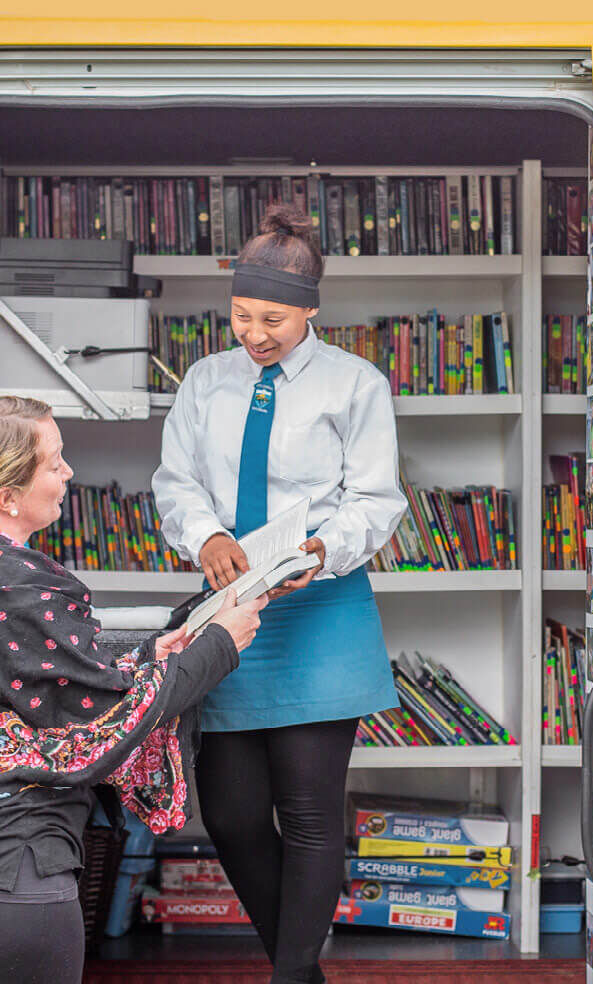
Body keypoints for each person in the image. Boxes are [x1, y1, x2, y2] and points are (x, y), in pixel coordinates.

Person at [152, 203, 406, 984]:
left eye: (273, 320)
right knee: (228, 815)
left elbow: (376, 499)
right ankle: (303, 972)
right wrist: (207, 538)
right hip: (231, 610)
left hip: (320, 607)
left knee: (308, 813)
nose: (254, 335)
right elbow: (175, 482)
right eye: (240, 317)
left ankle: (290, 975)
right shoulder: (205, 381)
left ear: (310, 312)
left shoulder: (354, 384)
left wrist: (325, 548)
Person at [0, 395, 266, 984]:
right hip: (19, 868)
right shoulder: (25, 588)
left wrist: (150, 651)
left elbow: (45, 678)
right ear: (7, 496)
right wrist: (218, 644)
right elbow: (108, 718)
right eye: (54, 462)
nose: (69, 473)